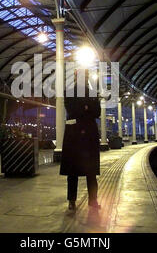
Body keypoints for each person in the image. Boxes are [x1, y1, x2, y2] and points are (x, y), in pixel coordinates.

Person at [60, 72, 101, 211]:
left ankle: (84, 200)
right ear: (77, 77)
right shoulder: (71, 92)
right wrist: (87, 108)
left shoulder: (90, 93)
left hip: (77, 134)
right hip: (82, 134)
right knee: (76, 170)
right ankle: (78, 201)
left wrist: (83, 109)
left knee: (88, 171)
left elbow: (98, 112)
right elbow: (72, 110)